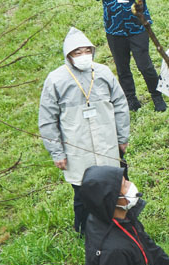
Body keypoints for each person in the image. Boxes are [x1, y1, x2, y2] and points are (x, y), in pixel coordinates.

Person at [39, 27, 130, 235]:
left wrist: (122, 137)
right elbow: (47, 120)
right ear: (68, 56)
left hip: (107, 144)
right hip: (77, 148)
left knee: (116, 187)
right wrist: (57, 152)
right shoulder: (55, 80)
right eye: (77, 53)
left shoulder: (103, 72)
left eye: (86, 51)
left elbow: (120, 104)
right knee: (83, 194)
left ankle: (122, 227)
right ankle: (84, 232)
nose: (83, 56)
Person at [90, 0, 166, 112]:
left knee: (144, 64)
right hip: (114, 27)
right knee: (122, 67)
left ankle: (157, 96)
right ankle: (131, 99)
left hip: (136, 23)